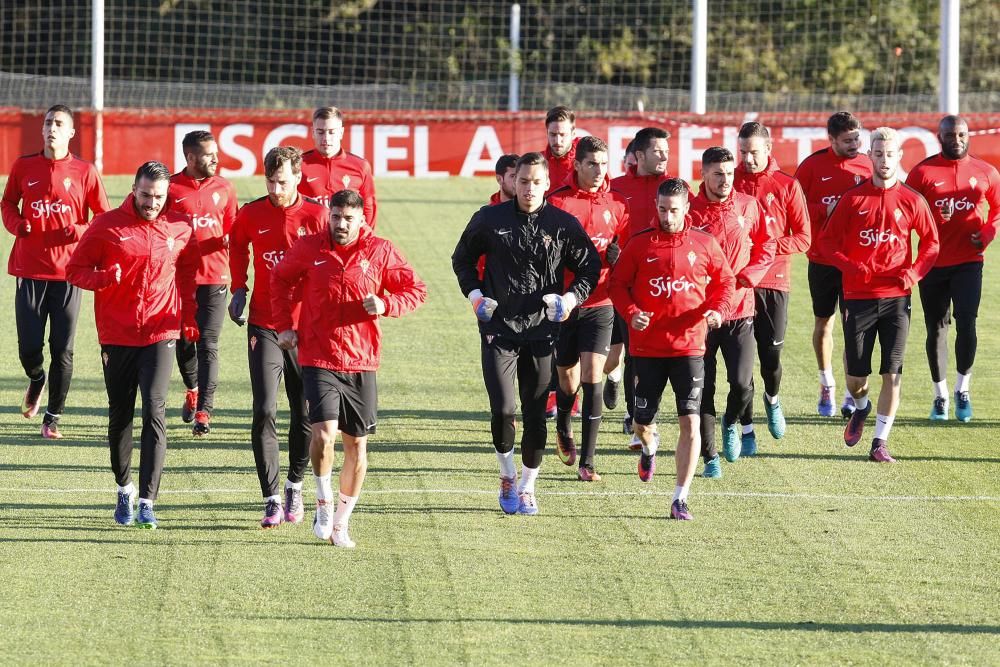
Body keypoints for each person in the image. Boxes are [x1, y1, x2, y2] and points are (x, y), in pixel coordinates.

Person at [271, 190, 426, 548]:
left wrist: (386, 303)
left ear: (362, 220)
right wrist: (284, 325)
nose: (341, 224)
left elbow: (416, 290)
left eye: (348, 219)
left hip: (361, 360)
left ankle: (341, 522)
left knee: (357, 445)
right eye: (336, 217)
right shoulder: (310, 248)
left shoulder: (381, 251)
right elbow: (280, 279)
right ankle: (323, 502)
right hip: (318, 356)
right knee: (323, 435)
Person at [452, 152, 600, 516]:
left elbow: (589, 267)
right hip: (498, 328)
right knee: (503, 410)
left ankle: (528, 486)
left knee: (535, 414)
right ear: (511, 182)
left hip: (542, 331)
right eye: (522, 181)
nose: (529, 188)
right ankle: (506, 474)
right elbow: (462, 259)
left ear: (547, 184)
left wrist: (569, 299)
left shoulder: (563, 224)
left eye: (536, 182)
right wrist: (475, 296)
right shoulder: (489, 219)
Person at [67, 161, 200, 529]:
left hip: (161, 332)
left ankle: (147, 501)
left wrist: (188, 315)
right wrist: (106, 277)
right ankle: (124, 488)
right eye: (145, 195)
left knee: (154, 411)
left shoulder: (178, 227)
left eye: (158, 197)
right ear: (133, 189)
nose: (151, 203)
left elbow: (187, 271)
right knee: (120, 414)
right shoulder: (107, 226)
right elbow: (74, 271)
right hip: (117, 335)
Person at [609, 178, 735, 520]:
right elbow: (617, 285)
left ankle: (680, 497)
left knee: (690, 422)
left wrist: (717, 310)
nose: (667, 216)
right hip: (648, 349)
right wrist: (632, 313)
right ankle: (649, 448)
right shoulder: (639, 245)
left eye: (674, 210)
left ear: (686, 209)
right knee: (641, 422)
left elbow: (726, 282)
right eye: (662, 209)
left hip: (690, 348)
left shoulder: (704, 243)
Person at [818, 127, 939, 463]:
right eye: (879, 153)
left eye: (890, 154)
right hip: (857, 296)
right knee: (858, 378)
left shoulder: (913, 200)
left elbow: (931, 244)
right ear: (869, 156)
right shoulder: (852, 199)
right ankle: (861, 406)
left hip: (897, 298)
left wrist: (913, 272)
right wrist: (850, 266)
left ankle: (880, 442)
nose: (884, 160)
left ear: (899, 156)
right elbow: (827, 243)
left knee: (893, 371)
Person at [228, 147, 328, 528]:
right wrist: (239, 286)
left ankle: (294, 485)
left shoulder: (317, 217)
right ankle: (270, 497)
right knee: (265, 410)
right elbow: (236, 245)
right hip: (265, 324)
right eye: (270, 181)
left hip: (306, 329)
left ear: (298, 178)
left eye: (282, 181)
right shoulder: (252, 214)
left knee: (303, 413)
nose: (275, 188)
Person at [1, 104, 110, 438]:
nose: (52, 127)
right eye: (48, 122)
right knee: (29, 348)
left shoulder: (85, 171)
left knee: (63, 348)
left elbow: (103, 217)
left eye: (59, 123)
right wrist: (18, 224)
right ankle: (36, 379)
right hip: (29, 271)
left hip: (69, 274)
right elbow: (7, 204)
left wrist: (78, 231)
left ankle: (53, 417)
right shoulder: (24, 166)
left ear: (71, 133)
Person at [906, 115, 1000, 422]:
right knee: (936, 328)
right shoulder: (922, 173)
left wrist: (988, 231)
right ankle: (940, 395)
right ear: (940, 137)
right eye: (950, 135)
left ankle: (963, 389)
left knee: (967, 322)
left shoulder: (986, 172)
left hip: (969, 262)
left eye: (961, 134)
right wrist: (935, 216)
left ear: (968, 135)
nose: (956, 139)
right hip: (933, 263)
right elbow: (907, 215)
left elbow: (998, 209)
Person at [688, 147, 774, 477]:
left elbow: (767, 243)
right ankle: (710, 457)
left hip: (740, 309)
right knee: (703, 387)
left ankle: (731, 420)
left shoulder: (748, 205)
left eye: (729, 173)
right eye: (718, 174)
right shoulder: (690, 212)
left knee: (741, 384)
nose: (725, 180)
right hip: (701, 316)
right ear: (704, 174)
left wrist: (750, 275)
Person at [547, 136, 629, 481]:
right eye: (592, 163)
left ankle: (589, 462)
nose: (599, 170)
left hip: (600, 301)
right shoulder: (557, 203)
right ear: (577, 165)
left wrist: (618, 257)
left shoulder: (618, 205)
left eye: (604, 163)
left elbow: (627, 252)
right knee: (568, 378)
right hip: (564, 304)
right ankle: (564, 422)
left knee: (593, 373)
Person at [733, 122, 810, 453]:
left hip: (775, 282)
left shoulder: (786, 185)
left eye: (754, 152)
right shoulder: (728, 180)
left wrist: (765, 246)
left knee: (771, 357)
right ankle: (747, 429)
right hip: (738, 286)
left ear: (768, 150)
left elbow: (804, 238)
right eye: (743, 152)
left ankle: (773, 398)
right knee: (743, 364)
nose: (748, 159)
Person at [795, 112, 873, 418]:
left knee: (853, 327)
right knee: (824, 323)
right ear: (832, 140)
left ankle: (848, 393)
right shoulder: (812, 166)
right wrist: (824, 208)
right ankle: (826, 381)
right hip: (822, 259)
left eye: (857, 138)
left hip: (855, 262)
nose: (855, 145)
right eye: (847, 140)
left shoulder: (867, 164)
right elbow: (795, 206)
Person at [170, 130, 238, 436]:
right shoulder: (169, 188)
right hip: (178, 280)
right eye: (209, 155)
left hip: (215, 278)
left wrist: (229, 241)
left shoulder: (225, 188)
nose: (216, 159)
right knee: (185, 341)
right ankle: (193, 387)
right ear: (191, 157)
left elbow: (234, 232)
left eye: (216, 153)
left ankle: (203, 412)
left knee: (209, 344)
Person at [610, 127, 675, 437]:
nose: (664, 156)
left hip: (669, 288)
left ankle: (648, 413)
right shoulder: (616, 188)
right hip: (627, 285)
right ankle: (634, 413)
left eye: (666, 150)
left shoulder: (675, 188)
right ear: (638, 155)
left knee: (660, 355)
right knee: (634, 352)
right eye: (657, 151)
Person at [299, 106, 377, 226]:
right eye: (320, 132)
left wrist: (364, 241)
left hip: (346, 240)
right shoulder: (298, 165)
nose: (326, 138)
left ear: (341, 133)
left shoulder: (360, 166)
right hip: (310, 241)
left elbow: (368, 208)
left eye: (331, 132)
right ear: (313, 132)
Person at [543, 106, 579, 195]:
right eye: (553, 134)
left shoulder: (586, 163)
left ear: (573, 134)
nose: (557, 141)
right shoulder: (537, 164)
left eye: (563, 135)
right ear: (547, 133)